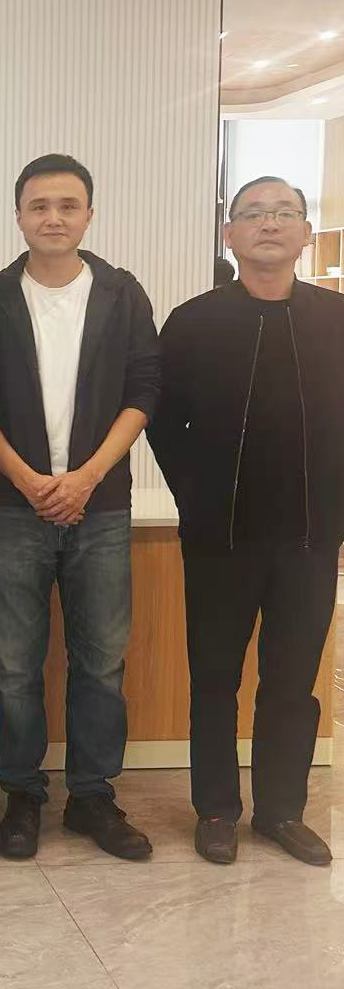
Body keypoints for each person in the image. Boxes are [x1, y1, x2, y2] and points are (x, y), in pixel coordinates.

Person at [149, 175, 339, 867]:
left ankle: (282, 811)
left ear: (305, 233)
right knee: (214, 680)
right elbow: (160, 421)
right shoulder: (194, 321)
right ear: (229, 234)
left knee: (292, 683)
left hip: (310, 540)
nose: (269, 223)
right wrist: (195, 497)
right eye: (254, 213)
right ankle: (216, 810)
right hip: (219, 538)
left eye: (285, 212)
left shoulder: (336, 319)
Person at [0, 154, 160, 861]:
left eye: (67, 205)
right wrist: (28, 479)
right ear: (18, 216)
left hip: (101, 506)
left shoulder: (121, 293)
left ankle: (92, 797)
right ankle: (22, 794)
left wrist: (86, 477)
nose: (53, 217)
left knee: (102, 662)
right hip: (11, 506)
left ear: (89, 214)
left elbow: (144, 391)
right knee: (14, 666)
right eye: (39, 205)